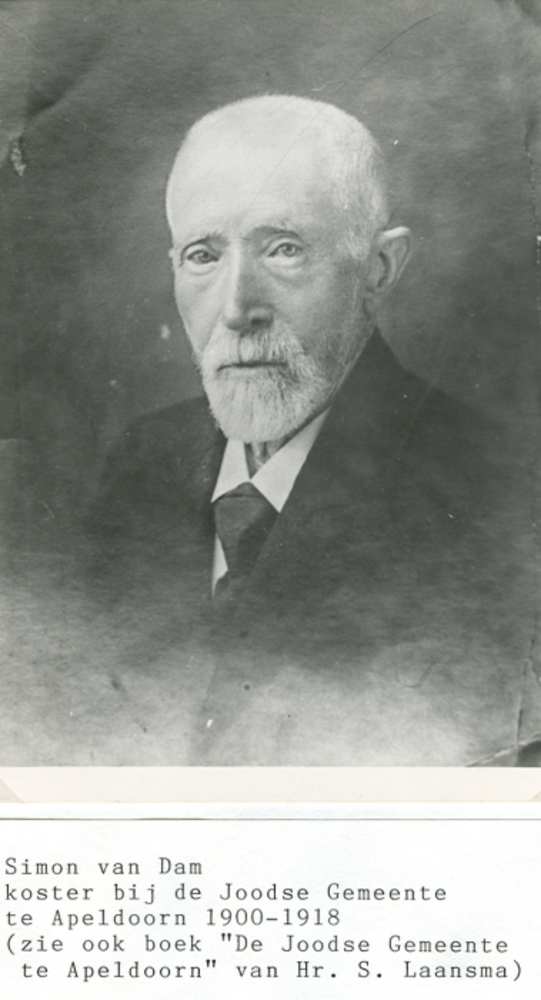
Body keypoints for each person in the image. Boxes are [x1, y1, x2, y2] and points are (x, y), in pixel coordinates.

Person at [89, 96, 540, 766]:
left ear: (379, 268)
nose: (237, 308)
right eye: (203, 255)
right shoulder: (142, 461)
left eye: (284, 249)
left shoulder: (495, 496)